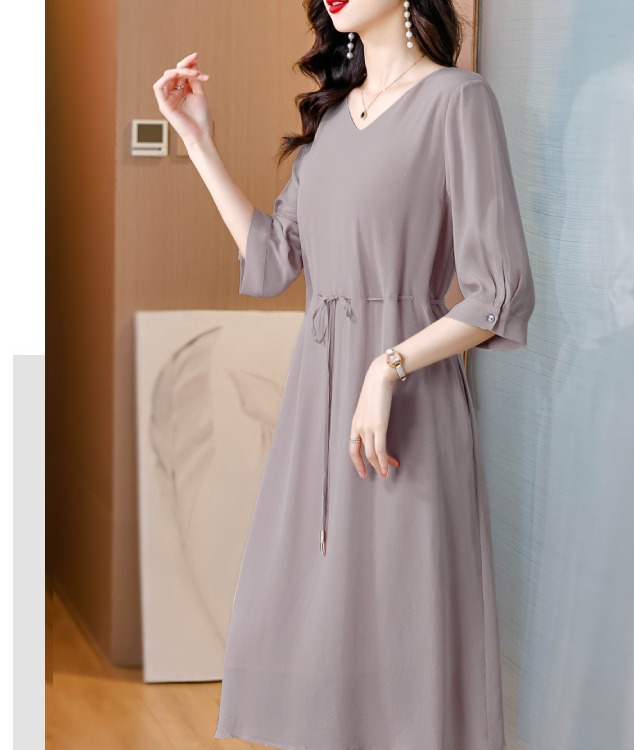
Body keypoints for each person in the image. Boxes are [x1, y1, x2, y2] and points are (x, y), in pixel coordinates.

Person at [152, 1, 534, 747]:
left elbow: (500, 293)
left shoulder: (458, 101)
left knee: (402, 634)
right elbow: (273, 260)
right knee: (305, 629)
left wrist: (387, 369)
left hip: (408, 410)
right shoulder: (331, 121)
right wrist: (197, 140)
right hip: (318, 411)